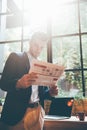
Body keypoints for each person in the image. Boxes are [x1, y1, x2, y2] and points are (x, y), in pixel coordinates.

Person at [0, 32, 58, 130]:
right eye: (36, 45)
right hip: (16, 115)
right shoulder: (16, 57)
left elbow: (41, 94)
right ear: (30, 42)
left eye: (41, 47)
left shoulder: (43, 65)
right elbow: (3, 84)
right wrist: (18, 83)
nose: (38, 49)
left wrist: (51, 93)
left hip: (37, 113)